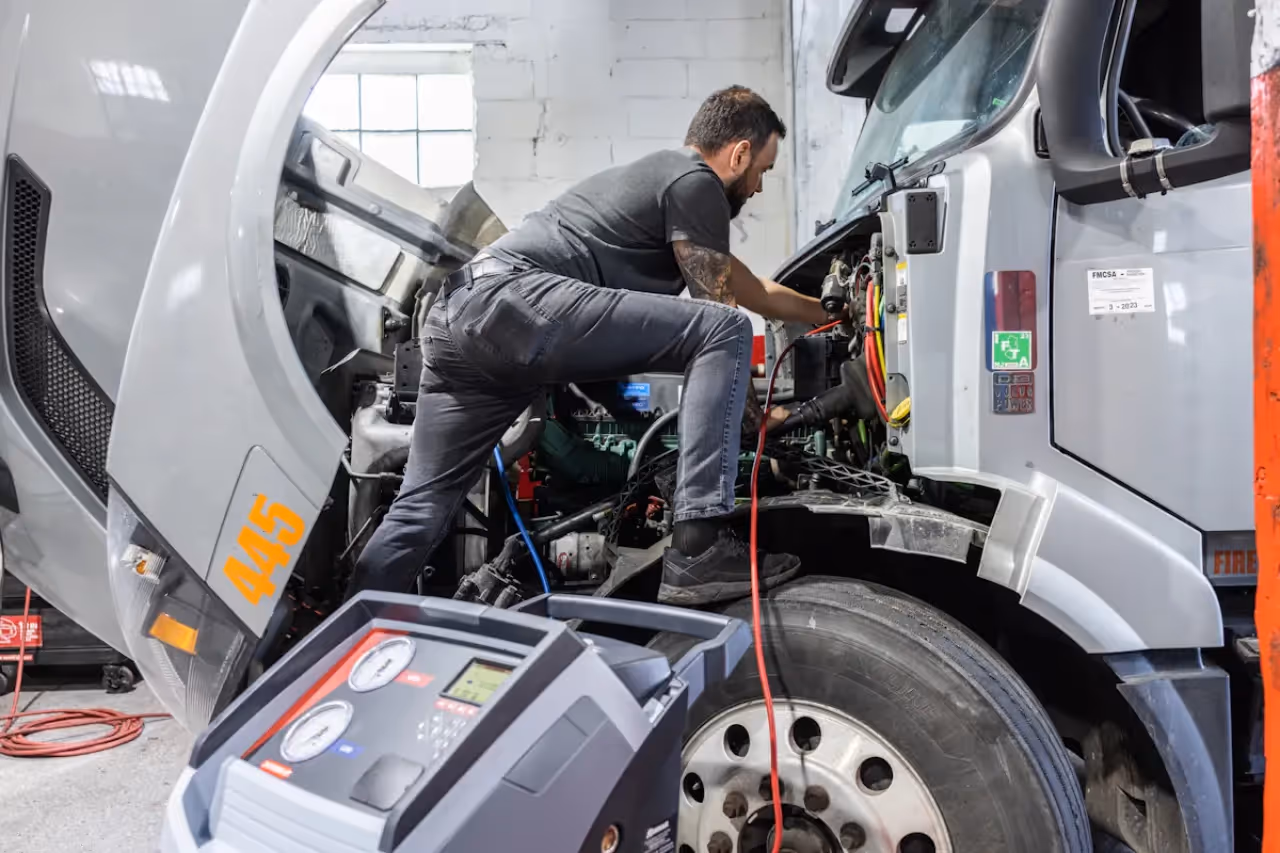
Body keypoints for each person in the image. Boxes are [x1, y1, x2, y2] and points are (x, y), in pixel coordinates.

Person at [350, 86, 835, 605]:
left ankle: (352, 628)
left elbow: (755, 290)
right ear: (739, 154)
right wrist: (753, 418)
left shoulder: (664, 189)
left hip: (457, 319)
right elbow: (719, 311)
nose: (758, 187)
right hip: (506, 300)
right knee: (725, 328)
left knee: (420, 508)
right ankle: (698, 547)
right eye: (763, 169)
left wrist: (831, 312)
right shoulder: (695, 182)